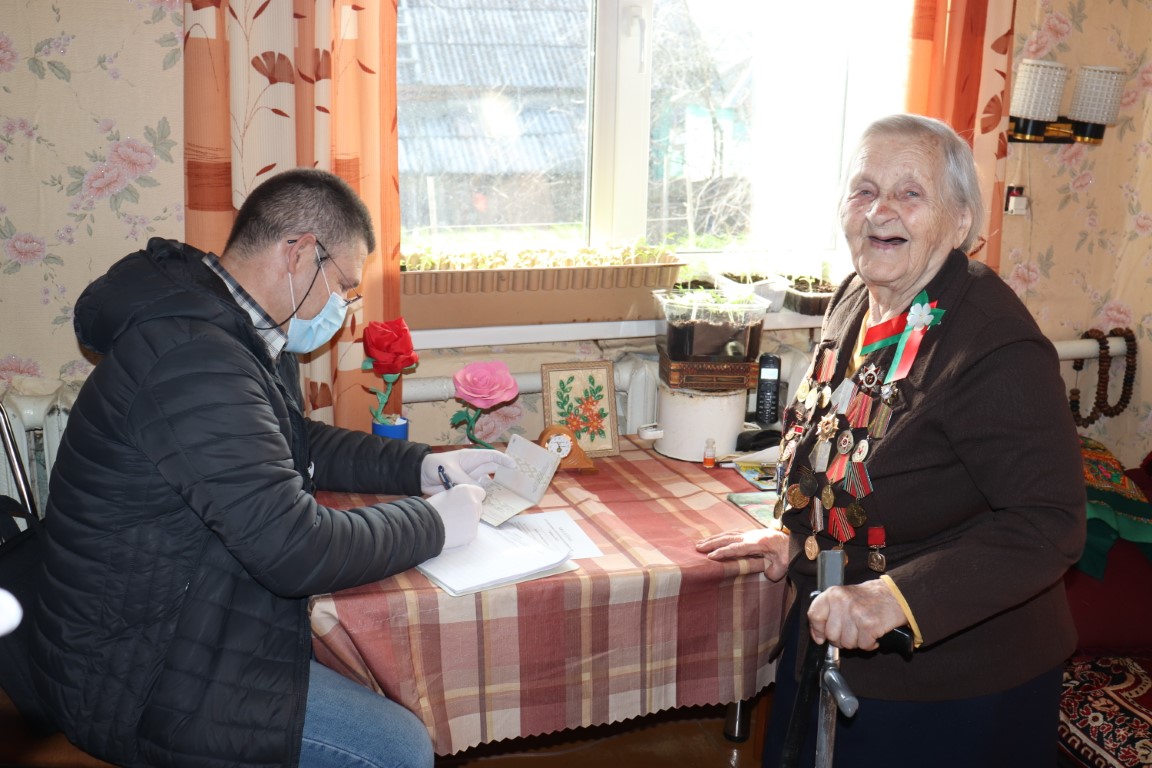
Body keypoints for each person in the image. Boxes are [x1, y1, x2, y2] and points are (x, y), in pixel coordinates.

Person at [27, 168, 515, 768]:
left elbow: (296, 443)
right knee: (398, 748)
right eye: (344, 286)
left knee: (371, 664)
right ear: (301, 253)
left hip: (185, 615)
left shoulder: (233, 328)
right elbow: (295, 550)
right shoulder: (193, 358)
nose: (345, 307)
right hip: (136, 672)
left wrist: (424, 467)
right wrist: (434, 524)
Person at [697, 115, 1086, 767]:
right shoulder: (858, 294)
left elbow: (1049, 523)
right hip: (831, 635)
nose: (881, 211)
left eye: (910, 194)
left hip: (953, 688)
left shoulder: (994, 344)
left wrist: (893, 598)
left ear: (960, 221)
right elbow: (845, 437)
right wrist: (801, 534)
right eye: (864, 190)